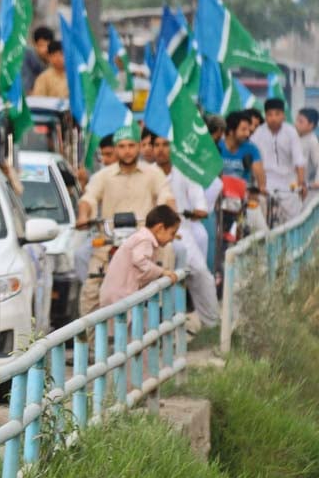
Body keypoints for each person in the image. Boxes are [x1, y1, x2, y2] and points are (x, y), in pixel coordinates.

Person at [75, 123, 175, 317]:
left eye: (131, 145)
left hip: (146, 241)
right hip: (110, 242)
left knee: (169, 253)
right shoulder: (102, 176)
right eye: (121, 146)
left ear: (138, 146)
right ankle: (88, 341)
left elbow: (165, 196)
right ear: (115, 148)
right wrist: (83, 215)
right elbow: (88, 198)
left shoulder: (153, 174)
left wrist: (170, 213)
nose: (127, 151)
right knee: (91, 288)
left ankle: (163, 320)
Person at [153, 135, 220, 328]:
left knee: (200, 272)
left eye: (165, 145)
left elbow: (201, 206)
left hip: (180, 231)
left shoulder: (185, 172)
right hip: (149, 233)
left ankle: (212, 324)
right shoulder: (147, 173)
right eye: (156, 145)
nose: (160, 149)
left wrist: (195, 211)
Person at [99, 205, 179, 308]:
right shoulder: (144, 240)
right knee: (121, 323)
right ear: (160, 228)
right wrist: (162, 272)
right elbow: (140, 261)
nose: (172, 239)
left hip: (120, 294)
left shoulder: (142, 237)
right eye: (172, 233)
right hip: (119, 296)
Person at [251, 98, 306, 223]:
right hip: (266, 182)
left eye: (277, 114)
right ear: (265, 116)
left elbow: (299, 160)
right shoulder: (258, 133)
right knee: (262, 218)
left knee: (293, 220)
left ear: (283, 115)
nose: (273, 118)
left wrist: (301, 183)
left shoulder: (291, 132)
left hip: (288, 182)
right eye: (269, 114)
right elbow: (253, 159)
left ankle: (293, 242)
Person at [218, 110, 268, 233]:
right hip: (219, 198)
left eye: (248, 129)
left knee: (263, 232)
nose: (248, 133)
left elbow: (259, 172)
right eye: (243, 129)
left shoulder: (251, 149)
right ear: (230, 131)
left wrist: (260, 188)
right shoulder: (217, 147)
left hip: (243, 198)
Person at [22, 26, 54, 93]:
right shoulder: (28, 56)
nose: (45, 49)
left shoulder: (53, 58)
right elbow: (26, 86)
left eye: (48, 45)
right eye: (41, 45)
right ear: (34, 44)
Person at [295, 107, 319, 192]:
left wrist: (317, 182)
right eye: (297, 120)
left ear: (311, 125)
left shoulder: (312, 141)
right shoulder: (293, 137)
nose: (296, 123)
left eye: (301, 121)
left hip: (300, 187)